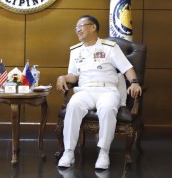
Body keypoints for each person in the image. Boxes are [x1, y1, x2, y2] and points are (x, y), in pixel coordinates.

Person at [56, 15, 142, 170]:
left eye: (81, 26)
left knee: (108, 108)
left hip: (107, 90)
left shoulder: (109, 47)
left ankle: (103, 152)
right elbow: (74, 76)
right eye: (76, 28)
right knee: (73, 105)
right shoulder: (75, 51)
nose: (78, 30)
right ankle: (69, 152)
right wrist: (62, 77)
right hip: (85, 90)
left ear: (93, 27)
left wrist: (134, 82)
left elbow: (127, 68)